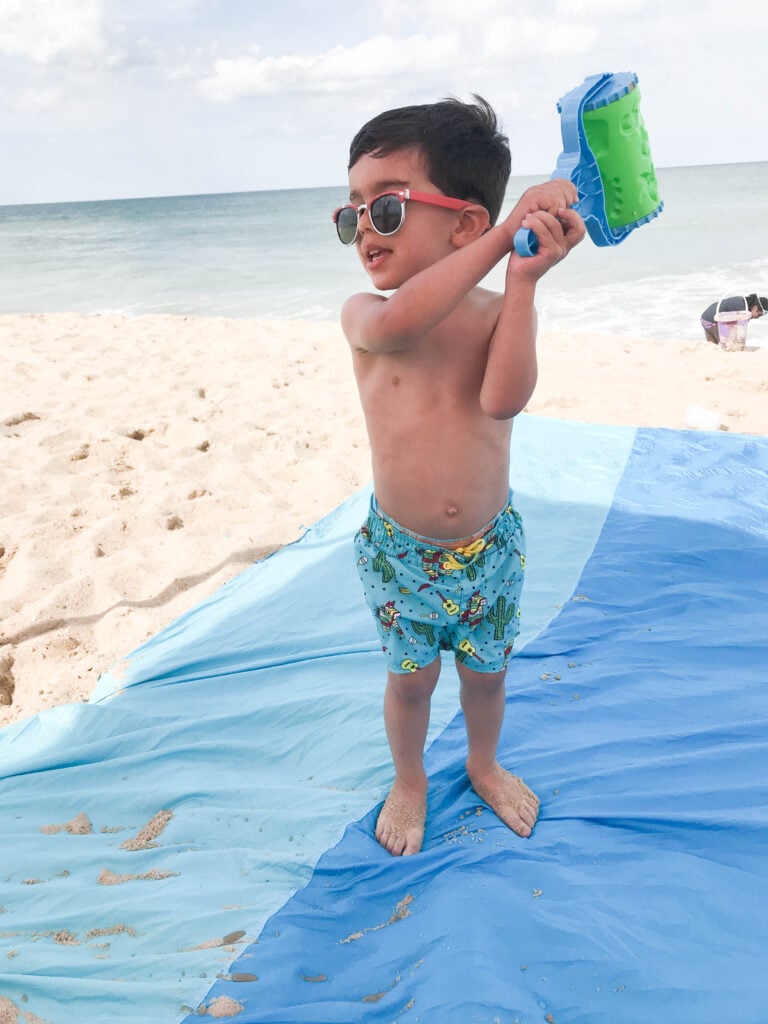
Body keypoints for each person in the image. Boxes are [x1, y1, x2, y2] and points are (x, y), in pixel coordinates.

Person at [333, 96, 585, 856]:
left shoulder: (490, 310)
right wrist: (511, 232)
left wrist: (525, 282)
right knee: (411, 683)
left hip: (490, 548)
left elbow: (504, 400)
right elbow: (404, 321)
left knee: (486, 677)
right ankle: (409, 778)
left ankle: (482, 761)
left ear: (465, 223)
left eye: (385, 210)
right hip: (399, 553)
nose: (361, 232)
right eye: (352, 215)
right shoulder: (365, 316)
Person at [700, 294, 768, 346]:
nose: (758, 317)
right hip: (712, 321)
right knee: (728, 345)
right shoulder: (743, 311)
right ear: (755, 308)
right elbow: (739, 331)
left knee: (713, 345)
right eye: (760, 314)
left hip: (705, 318)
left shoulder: (743, 301)